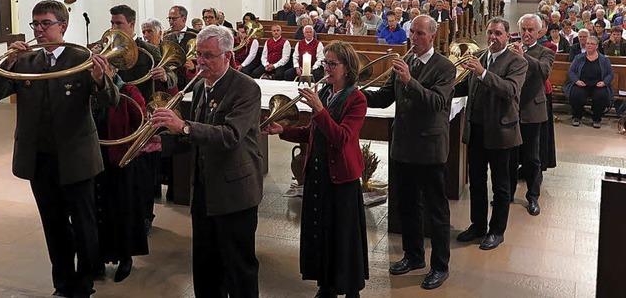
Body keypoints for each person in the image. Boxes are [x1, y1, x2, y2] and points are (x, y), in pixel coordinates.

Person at [0, 0, 119, 297]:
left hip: (76, 159)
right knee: (53, 224)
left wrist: (100, 80)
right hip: (39, 158)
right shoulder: (25, 61)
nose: (39, 30)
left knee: (84, 225)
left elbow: (111, 101)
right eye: (35, 24)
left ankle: (84, 284)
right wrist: (5, 64)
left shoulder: (81, 58)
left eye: (46, 23)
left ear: (63, 26)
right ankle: (62, 283)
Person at [151, 25, 263, 297]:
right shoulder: (201, 86)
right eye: (199, 54)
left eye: (209, 56)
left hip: (235, 191)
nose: (201, 62)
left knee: (238, 267)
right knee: (205, 263)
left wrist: (184, 127)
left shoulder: (246, 88)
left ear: (228, 56)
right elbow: (195, 136)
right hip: (204, 189)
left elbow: (230, 136)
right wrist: (158, 138)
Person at [264, 41, 369, 297]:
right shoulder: (325, 93)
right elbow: (314, 132)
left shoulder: (357, 99)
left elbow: (342, 138)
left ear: (347, 68)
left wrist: (320, 110)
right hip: (318, 173)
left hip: (341, 177)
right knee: (321, 230)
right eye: (325, 63)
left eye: (333, 64)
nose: (327, 68)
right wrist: (284, 130)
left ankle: (349, 286)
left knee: (343, 234)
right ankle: (326, 283)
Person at [363, 15, 454, 290]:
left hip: (429, 148)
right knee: (407, 204)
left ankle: (440, 266)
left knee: (436, 210)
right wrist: (357, 93)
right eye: (411, 32)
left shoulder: (444, 67)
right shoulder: (407, 61)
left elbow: (437, 103)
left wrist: (410, 80)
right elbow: (385, 97)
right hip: (403, 145)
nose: (413, 38)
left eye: (420, 34)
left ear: (433, 36)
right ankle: (413, 256)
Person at [455, 17, 528, 251]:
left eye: (498, 33)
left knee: (501, 185)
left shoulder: (516, 62)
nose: (493, 38)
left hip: (501, 132)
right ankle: (477, 225)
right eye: (490, 33)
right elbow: (466, 87)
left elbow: (510, 90)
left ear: (507, 36)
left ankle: (497, 231)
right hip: (476, 130)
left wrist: (483, 73)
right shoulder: (481, 56)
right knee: (476, 182)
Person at [110, 5, 177, 234]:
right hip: (116, 116)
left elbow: (172, 74)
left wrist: (165, 74)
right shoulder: (107, 48)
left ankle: (146, 215)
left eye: (118, 23)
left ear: (131, 24)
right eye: (112, 23)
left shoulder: (148, 50)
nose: (114, 28)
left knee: (145, 171)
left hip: (142, 115)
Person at [92, 69, 149, 283]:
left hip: (119, 159)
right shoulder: (88, 90)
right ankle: (96, 258)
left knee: (123, 209)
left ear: (113, 69)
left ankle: (125, 257)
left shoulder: (128, 90)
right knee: (96, 209)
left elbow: (141, 119)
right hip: (93, 158)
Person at [509, 14, 554, 217]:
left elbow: (543, 71)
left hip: (532, 111)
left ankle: (533, 196)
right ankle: (507, 193)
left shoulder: (545, 51)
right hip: (511, 110)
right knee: (509, 156)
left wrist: (523, 55)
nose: (526, 34)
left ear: (538, 32)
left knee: (532, 157)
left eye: (530, 30)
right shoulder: (510, 48)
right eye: (523, 30)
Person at [564, 36, 613, 128]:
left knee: (601, 95)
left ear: (597, 46)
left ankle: (597, 118)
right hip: (582, 83)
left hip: (598, 84)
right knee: (576, 94)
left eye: (592, 44)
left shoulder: (604, 59)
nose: (589, 45)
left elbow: (610, 74)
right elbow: (571, 71)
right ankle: (576, 117)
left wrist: (604, 82)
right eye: (588, 43)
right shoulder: (578, 58)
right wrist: (576, 81)